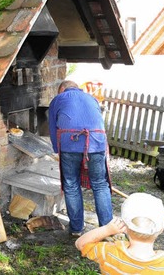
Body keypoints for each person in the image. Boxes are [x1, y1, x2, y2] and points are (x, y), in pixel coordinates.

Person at [48, 80, 113, 236]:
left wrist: (57, 149)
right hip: (96, 142)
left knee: (71, 184)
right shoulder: (92, 98)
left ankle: (77, 228)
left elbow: (52, 126)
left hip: (70, 143)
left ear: (62, 89)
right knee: (100, 184)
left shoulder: (58, 99)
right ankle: (108, 229)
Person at [75, 192, 164, 275]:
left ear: (124, 227)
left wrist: (107, 230)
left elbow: (80, 244)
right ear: (161, 229)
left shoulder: (109, 252)